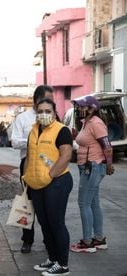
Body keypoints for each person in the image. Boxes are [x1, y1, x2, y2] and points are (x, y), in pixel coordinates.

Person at [23, 98, 73, 276]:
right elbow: (30, 155)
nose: (44, 114)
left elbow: (66, 156)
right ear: (36, 112)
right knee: (44, 223)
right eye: (40, 111)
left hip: (57, 182)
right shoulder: (33, 131)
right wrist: (27, 177)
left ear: (54, 112)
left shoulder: (62, 130)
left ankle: (63, 264)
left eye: (48, 111)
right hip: (37, 184)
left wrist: (49, 175)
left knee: (56, 223)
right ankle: (52, 259)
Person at [10, 85, 54, 253]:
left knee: (48, 203)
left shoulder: (53, 118)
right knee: (28, 202)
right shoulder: (23, 118)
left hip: (49, 165)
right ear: (37, 101)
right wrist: (33, 142)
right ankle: (27, 240)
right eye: (47, 99)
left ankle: (49, 239)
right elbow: (14, 141)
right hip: (28, 163)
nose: (50, 103)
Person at [70, 95, 114, 253]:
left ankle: (87, 242)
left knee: (84, 203)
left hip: (93, 166)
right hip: (87, 166)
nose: (80, 109)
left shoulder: (96, 123)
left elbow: (107, 145)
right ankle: (99, 239)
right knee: (93, 203)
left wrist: (109, 164)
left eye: (83, 106)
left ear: (92, 108)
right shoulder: (86, 123)